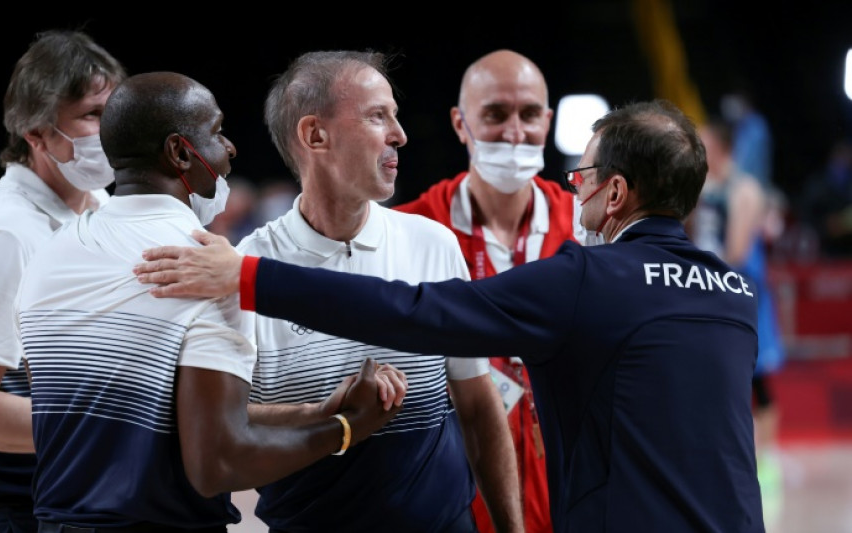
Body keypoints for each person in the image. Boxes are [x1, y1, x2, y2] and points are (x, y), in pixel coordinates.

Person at [135, 99, 766, 532]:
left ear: (617, 193)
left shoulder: (585, 278)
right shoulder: (736, 294)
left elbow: (415, 311)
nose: (576, 191)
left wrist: (247, 277)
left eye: (583, 177)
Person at [14, 70, 405, 531]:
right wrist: (345, 429)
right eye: (217, 132)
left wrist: (311, 411)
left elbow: (125, 408)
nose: (231, 148)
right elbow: (216, 463)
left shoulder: (47, 257)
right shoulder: (209, 268)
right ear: (180, 152)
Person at [223, 50, 521, 532]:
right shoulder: (246, 271)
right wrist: (323, 414)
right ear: (314, 134)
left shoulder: (433, 244)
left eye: (395, 117)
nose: (399, 135)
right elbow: (226, 428)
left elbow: (477, 402)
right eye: (377, 116)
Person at [0, 30, 127, 533]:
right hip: (13, 513)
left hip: (85, 503)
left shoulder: (105, 211)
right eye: (92, 115)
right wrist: (121, 424)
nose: (115, 129)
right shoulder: (5, 233)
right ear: (37, 134)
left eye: (117, 111)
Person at [393, 49, 584, 533]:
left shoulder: (588, 228)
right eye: (495, 115)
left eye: (529, 115)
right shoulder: (411, 228)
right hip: (452, 494)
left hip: (571, 486)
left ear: (549, 120)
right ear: (461, 123)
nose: (515, 133)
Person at [690, 118, 786, 522]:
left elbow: (738, 250)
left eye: (704, 143)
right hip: (709, 294)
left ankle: (764, 460)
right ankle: (723, 460)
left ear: (723, 147)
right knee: (716, 383)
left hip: (743, 296)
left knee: (757, 382)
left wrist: (699, 271)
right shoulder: (699, 188)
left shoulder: (745, 189)